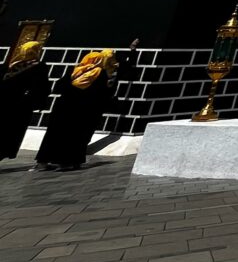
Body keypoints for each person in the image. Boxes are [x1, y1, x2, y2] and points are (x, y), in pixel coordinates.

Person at [35, 41, 137, 171]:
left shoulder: (75, 70)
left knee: (55, 134)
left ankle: (43, 161)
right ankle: (67, 162)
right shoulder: (102, 74)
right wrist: (132, 51)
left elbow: (59, 87)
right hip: (86, 110)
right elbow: (103, 92)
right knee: (77, 135)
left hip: (62, 108)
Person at [0, 41, 51, 162]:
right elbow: (42, 87)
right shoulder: (39, 66)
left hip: (4, 103)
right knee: (13, 131)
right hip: (22, 105)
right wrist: (40, 102)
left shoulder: (11, 64)